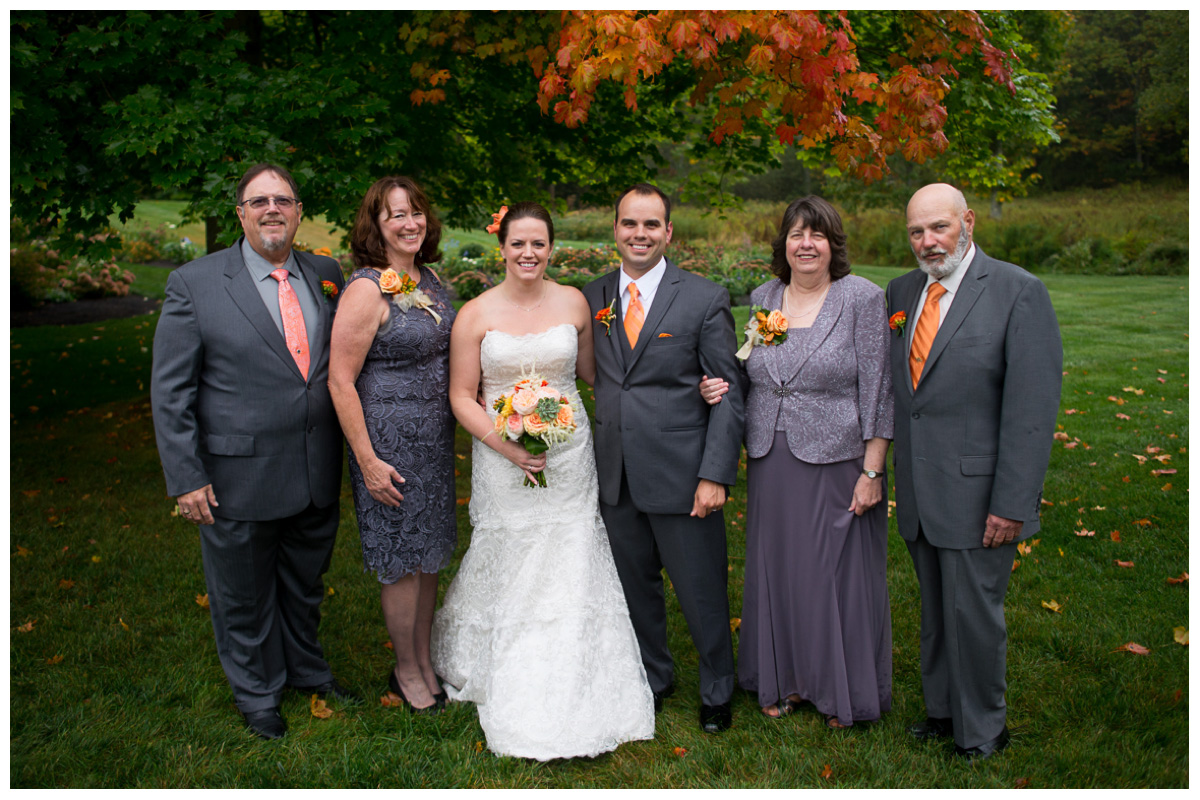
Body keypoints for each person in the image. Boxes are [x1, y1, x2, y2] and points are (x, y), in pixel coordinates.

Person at [431, 202, 654, 760]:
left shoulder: (575, 302)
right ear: (501, 248)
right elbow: (462, 394)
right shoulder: (475, 314)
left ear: (552, 248)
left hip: (570, 455)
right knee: (511, 550)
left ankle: (577, 666)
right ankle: (505, 663)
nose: (528, 253)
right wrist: (507, 444)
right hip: (499, 456)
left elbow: (594, 376)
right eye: (518, 244)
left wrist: (681, 386)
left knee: (571, 549)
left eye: (539, 244)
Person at [151, 163, 357, 740]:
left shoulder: (325, 273)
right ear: (240, 213)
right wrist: (186, 477)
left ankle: (306, 671)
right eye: (258, 200)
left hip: (315, 465)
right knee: (242, 594)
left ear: (297, 211)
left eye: (284, 200)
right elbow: (171, 391)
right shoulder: (194, 283)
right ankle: (257, 692)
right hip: (234, 473)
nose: (273, 209)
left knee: (303, 584)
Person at [887, 183, 1062, 762]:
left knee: (975, 616)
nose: (927, 241)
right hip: (919, 490)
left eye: (938, 227)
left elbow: (1031, 412)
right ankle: (942, 711)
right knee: (936, 613)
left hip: (979, 493)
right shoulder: (904, 291)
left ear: (966, 223)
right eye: (916, 231)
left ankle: (983, 727)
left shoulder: (1017, 292)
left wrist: (1012, 502)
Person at [581, 184, 745, 734]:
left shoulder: (702, 298)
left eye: (651, 225)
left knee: (700, 588)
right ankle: (653, 676)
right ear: (616, 230)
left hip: (683, 474)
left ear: (669, 232)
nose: (640, 235)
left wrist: (715, 474)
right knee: (635, 589)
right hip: (617, 473)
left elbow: (730, 392)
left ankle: (718, 688)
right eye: (630, 224)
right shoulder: (593, 296)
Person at [733, 196, 893, 728]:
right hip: (771, 455)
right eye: (796, 234)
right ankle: (785, 679)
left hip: (837, 458)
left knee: (833, 573)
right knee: (779, 569)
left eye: (817, 235)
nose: (805, 244)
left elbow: (878, 389)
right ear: (783, 244)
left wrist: (873, 471)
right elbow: (756, 369)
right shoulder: (765, 296)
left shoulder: (862, 299)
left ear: (832, 244)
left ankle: (837, 689)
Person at [328, 176, 457, 715]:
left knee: (427, 556)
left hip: (433, 444)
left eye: (416, 212)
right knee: (402, 559)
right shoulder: (366, 289)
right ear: (375, 225)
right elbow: (339, 379)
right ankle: (404, 668)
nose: (409, 222)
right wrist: (367, 462)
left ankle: (423, 659)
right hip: (387, 447)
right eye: (396, 215)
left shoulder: (429, 280)